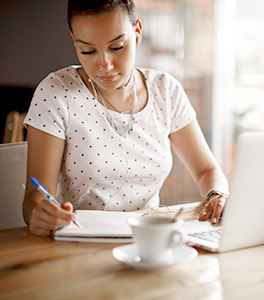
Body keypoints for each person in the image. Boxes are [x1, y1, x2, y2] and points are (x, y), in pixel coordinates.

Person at [23, 0, 229, 236]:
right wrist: (39, 212)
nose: (105, 65)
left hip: (152, 239)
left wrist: (217, 194)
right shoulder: (56, 93)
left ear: (137, 34)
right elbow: (34, 197)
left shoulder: (165, 90)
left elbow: (206, 170)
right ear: (74, 40)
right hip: (81, 240)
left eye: (117, 46)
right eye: (87, 51)